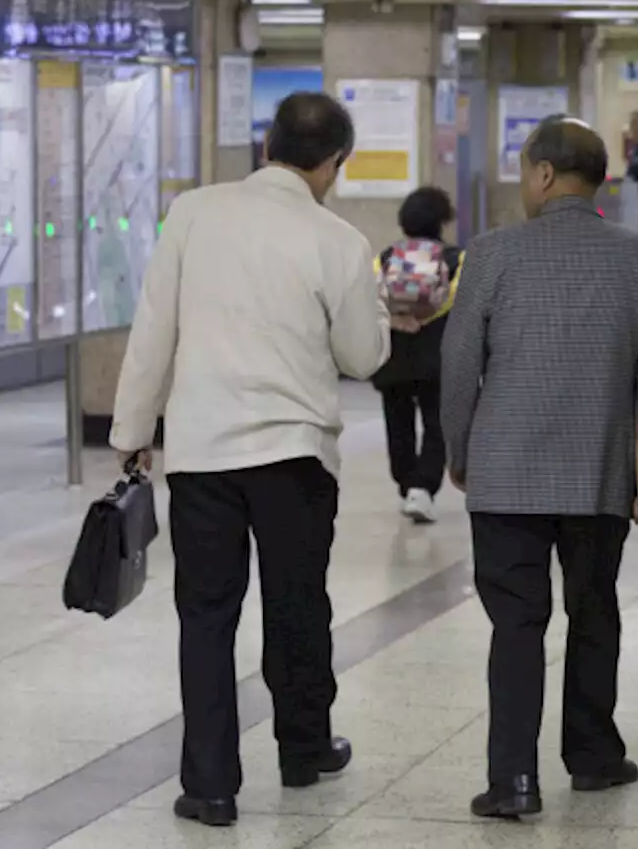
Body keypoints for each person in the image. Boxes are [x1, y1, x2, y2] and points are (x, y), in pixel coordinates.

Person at [109, 92, 390, 827]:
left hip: (202, 452)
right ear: (334, 163)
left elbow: (155, 327)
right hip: (293, 455)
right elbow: (364, 355)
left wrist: (131, 427)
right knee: (297, 606)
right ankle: (303, 751)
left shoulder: (193, 212)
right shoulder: (336, 239)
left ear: (266, 145)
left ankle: (208, 785)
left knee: (205, 614)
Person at [441, 118, 638, 819]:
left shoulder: (489, 254)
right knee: (594, 609)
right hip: (599, 474)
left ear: (544, 174)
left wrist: (459, 453)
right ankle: (595, 756)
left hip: (506, 473)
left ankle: (513, 780)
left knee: (516, 623)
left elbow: (459, 366)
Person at [371, 187, 462, 523]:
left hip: (393, 355)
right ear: (442, 220)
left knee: (398, 423)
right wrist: (425, 317)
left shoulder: (385, 256)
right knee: (437, 424)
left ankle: (406, 483)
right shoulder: (455, 257)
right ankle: (423, 489)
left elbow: (371, 293)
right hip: (435, 357)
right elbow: (456, 297)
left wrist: (398, 319)